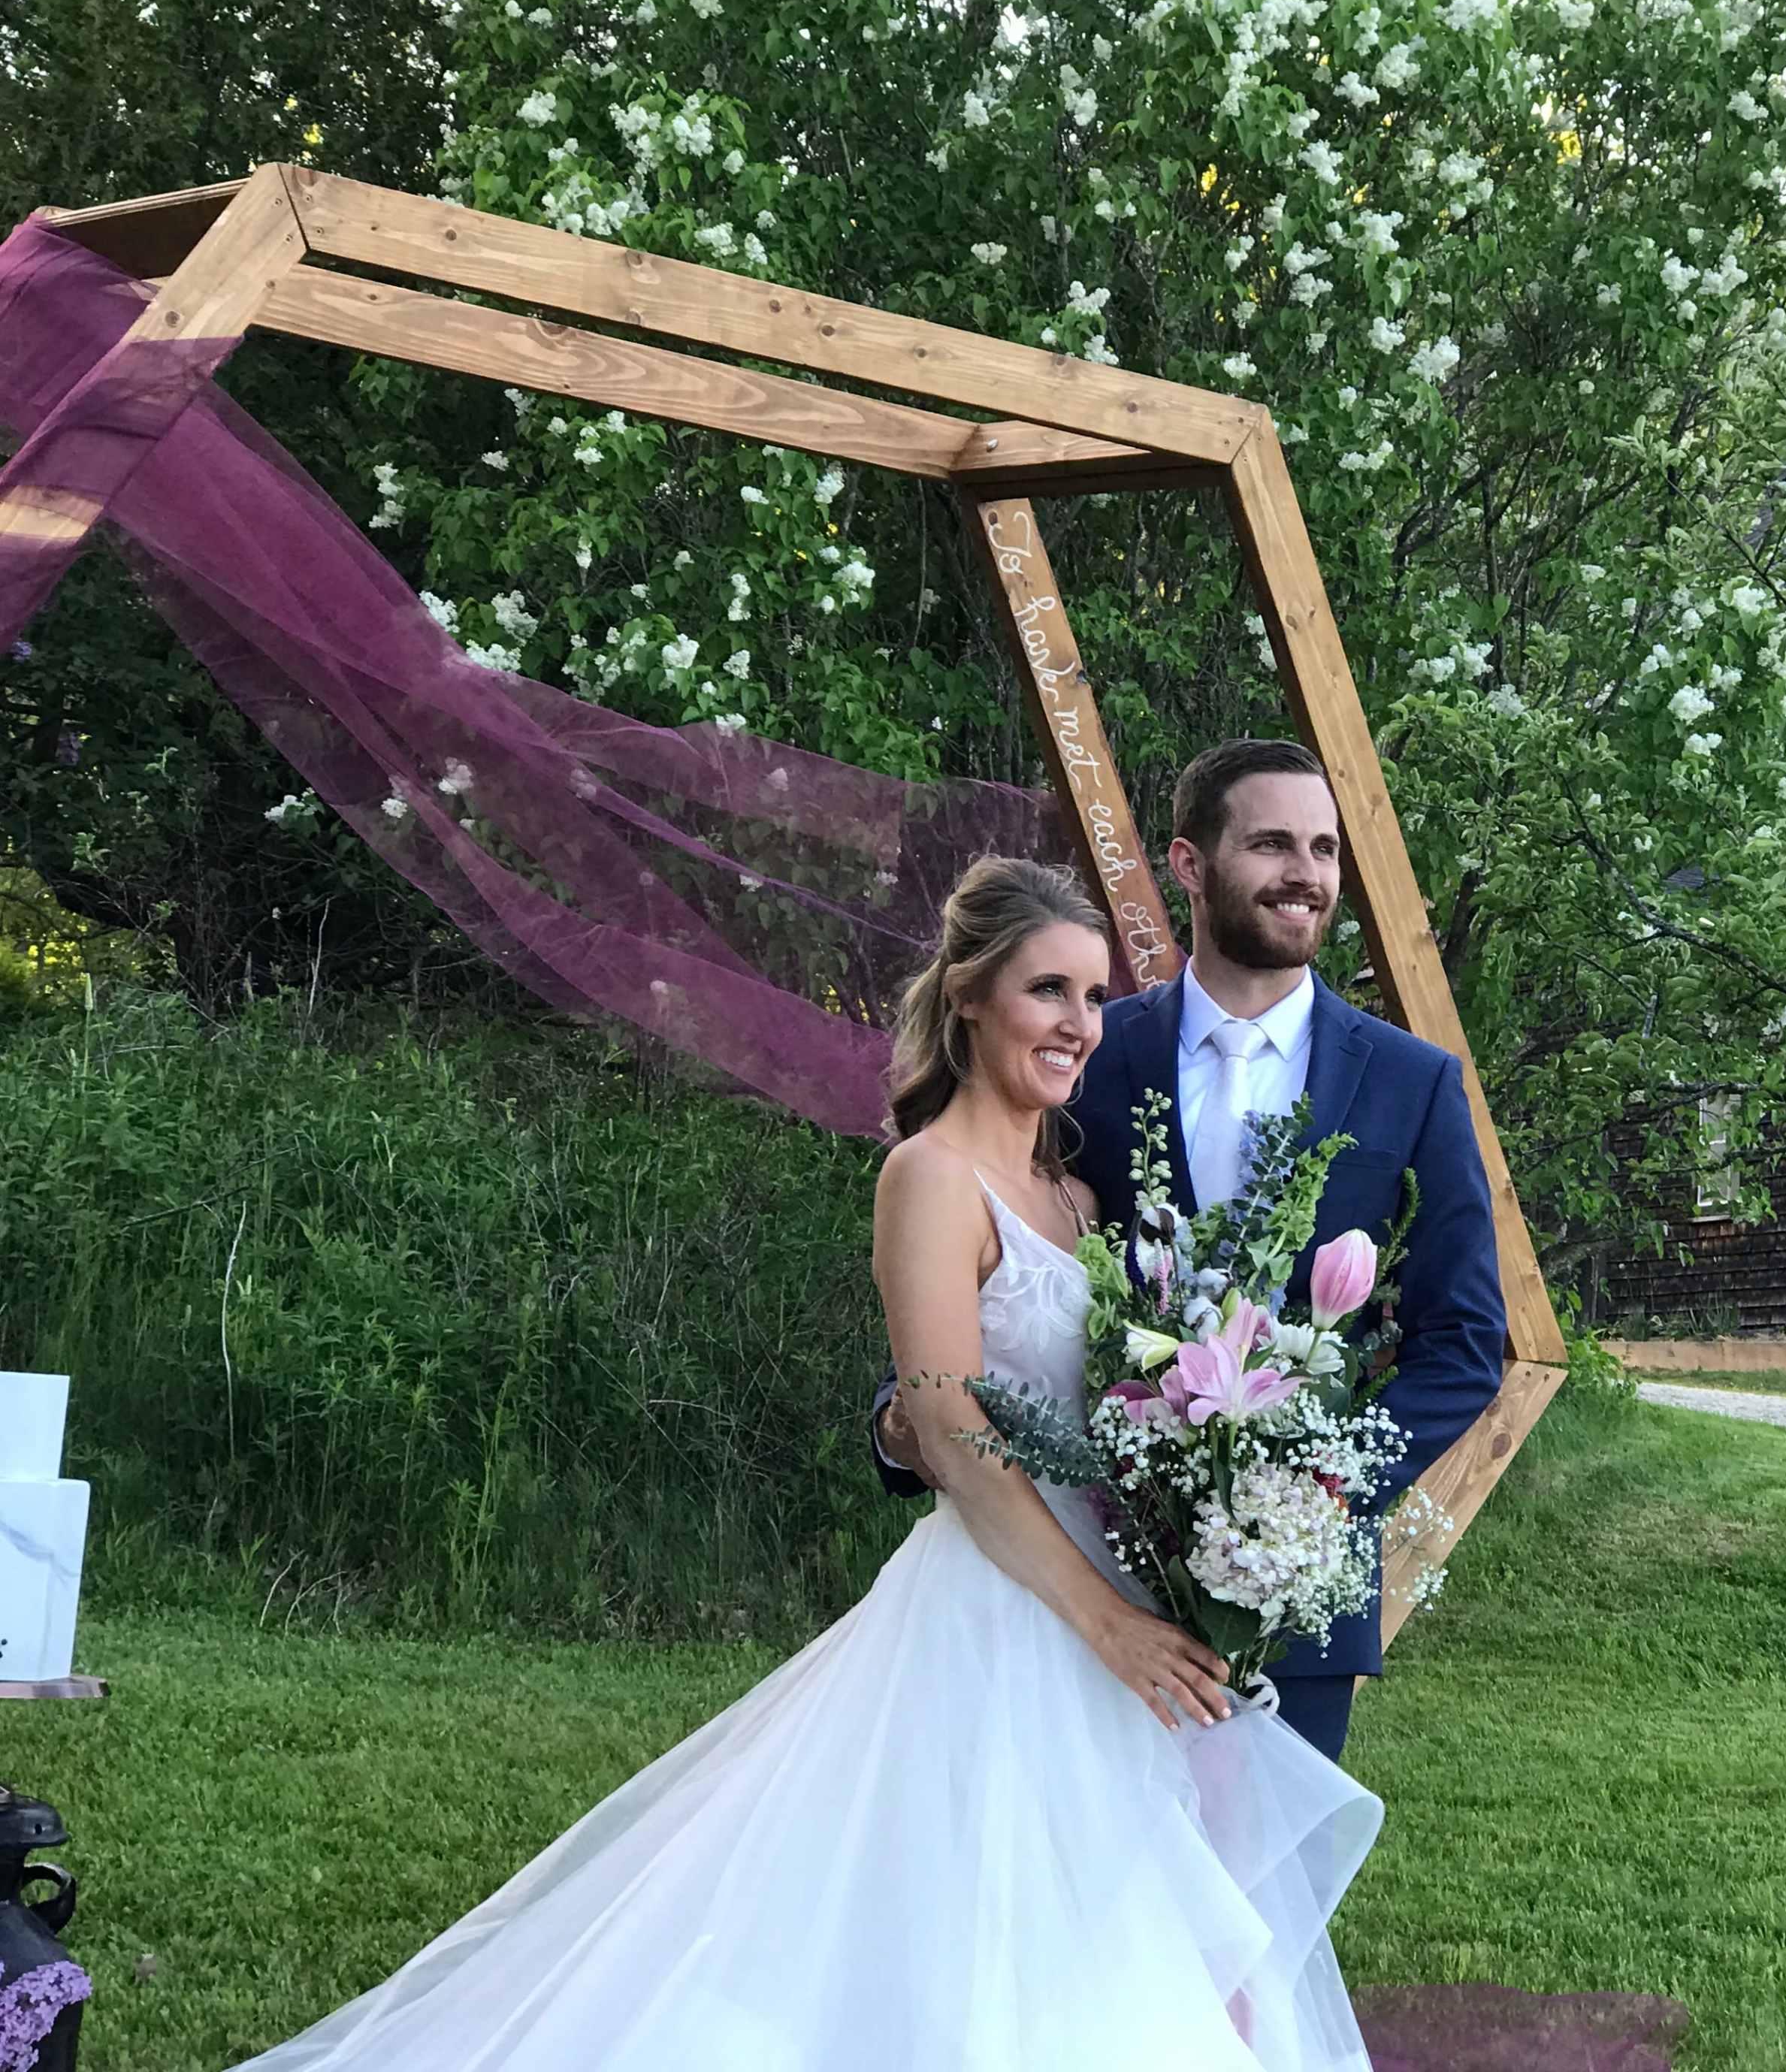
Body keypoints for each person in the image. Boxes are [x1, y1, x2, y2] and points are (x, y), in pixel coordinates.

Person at [230, 859, 1385, 2070]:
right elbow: (949, 1430)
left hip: (1124, 1620)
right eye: (1048, 991)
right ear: (971, 998)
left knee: (1121, 1943)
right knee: (960, 1941)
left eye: (1094, 999)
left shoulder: (1083, 1201)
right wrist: (1107, 1625)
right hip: (1002, 1619)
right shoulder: (929, 1179)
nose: (1078, 1027)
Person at [874, 738, 1508, 1763]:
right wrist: (905, 1419)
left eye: (1324, 848)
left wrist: (1306, 1497)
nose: (1304, 872)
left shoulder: (1412, 1083)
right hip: (1093, 1585)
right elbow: (990, 1246)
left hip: (1294, 1609)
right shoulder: (1088, 1049)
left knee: (1264, 1916)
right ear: (1189, 864)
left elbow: (1466, 1340)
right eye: (1270, 843)